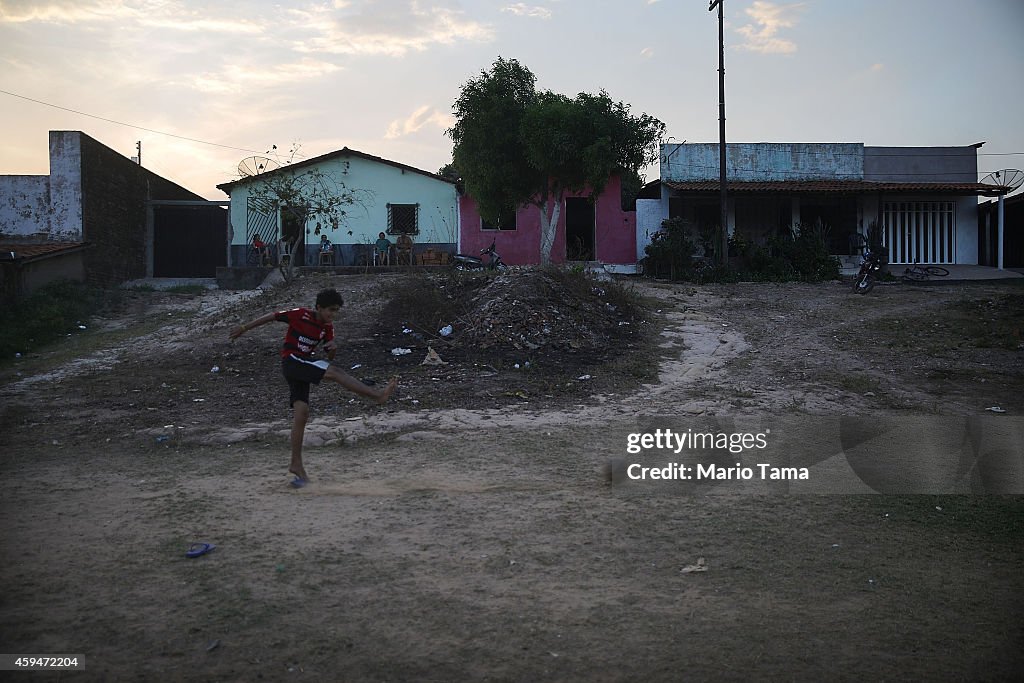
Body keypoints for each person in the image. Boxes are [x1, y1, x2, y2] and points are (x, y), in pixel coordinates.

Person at [229, 288, 397, 488]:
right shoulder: (300, 314)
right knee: (336, 373)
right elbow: (272, 316)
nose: (333, 315)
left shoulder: (327, 328)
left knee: (302, 414)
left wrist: (332, 349)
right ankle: (377, 396)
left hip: (303, 365)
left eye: (336, 311)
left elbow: (329, 354)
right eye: (330, 310)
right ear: (319, 307)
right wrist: (244, 327)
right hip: (292, 360)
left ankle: (296, 466)